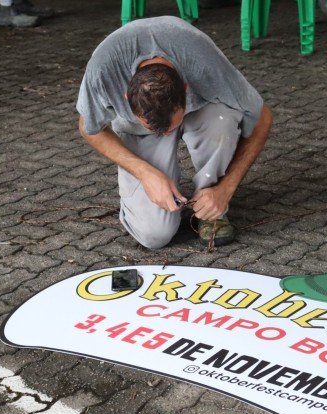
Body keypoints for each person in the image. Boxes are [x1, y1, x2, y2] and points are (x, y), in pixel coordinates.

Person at [76, 17, 272, 248]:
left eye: (171, 127)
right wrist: (145, 172)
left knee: (221, 118)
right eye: (156, 128)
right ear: (127, 98)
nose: (168, 135)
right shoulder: (103, 69)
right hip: (137, 130)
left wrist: (226, 188)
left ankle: (211, 206)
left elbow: (263, 118)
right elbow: (88, 128)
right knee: (154, 235)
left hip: (200, 111)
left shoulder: (202, 61)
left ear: (186, 88)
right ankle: (148, 193)